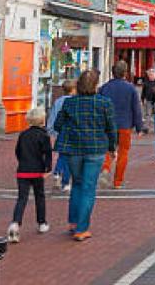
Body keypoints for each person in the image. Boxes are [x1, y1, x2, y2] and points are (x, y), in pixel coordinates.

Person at [54, 70, 117, 241]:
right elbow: (111, 128)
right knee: (88, 188)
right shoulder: (104, 103)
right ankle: (82, 229)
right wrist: (112, 147)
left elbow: (57, 125)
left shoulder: (70, 103)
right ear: (96, 85)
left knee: (77, 184)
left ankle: (73, 222)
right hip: (96, 149)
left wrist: (72, 129)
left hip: (74, 149)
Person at [7, 107, 53, 243]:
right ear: (43, 121)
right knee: (40, 196)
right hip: (37, 171)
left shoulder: (23, 134)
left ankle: (15, 223)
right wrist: (47, 169)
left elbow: (18, 152)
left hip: (23, 171)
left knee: (22, 198)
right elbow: (48, 154)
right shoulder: (44, 136)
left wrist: (22, 162)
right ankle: (42, 223)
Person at [99, 61, 143, 189]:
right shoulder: (131, 88)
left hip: (107, 125)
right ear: (125, 73)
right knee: (123, 152)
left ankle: (106, 168)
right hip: (125, 125)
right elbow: (136, 109)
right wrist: (139, 127)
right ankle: (118, 181)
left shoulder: (104, 88)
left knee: (108, 150)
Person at [48, 80, 76, 193]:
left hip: (60, 132)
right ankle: (65, 183)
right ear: (73, 90)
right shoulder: (73, 101)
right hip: (71, 133)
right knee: (69, 158)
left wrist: (52, 130)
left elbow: (53, 116)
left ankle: (57, 173)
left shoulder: (58, 101)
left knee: (62, 155)